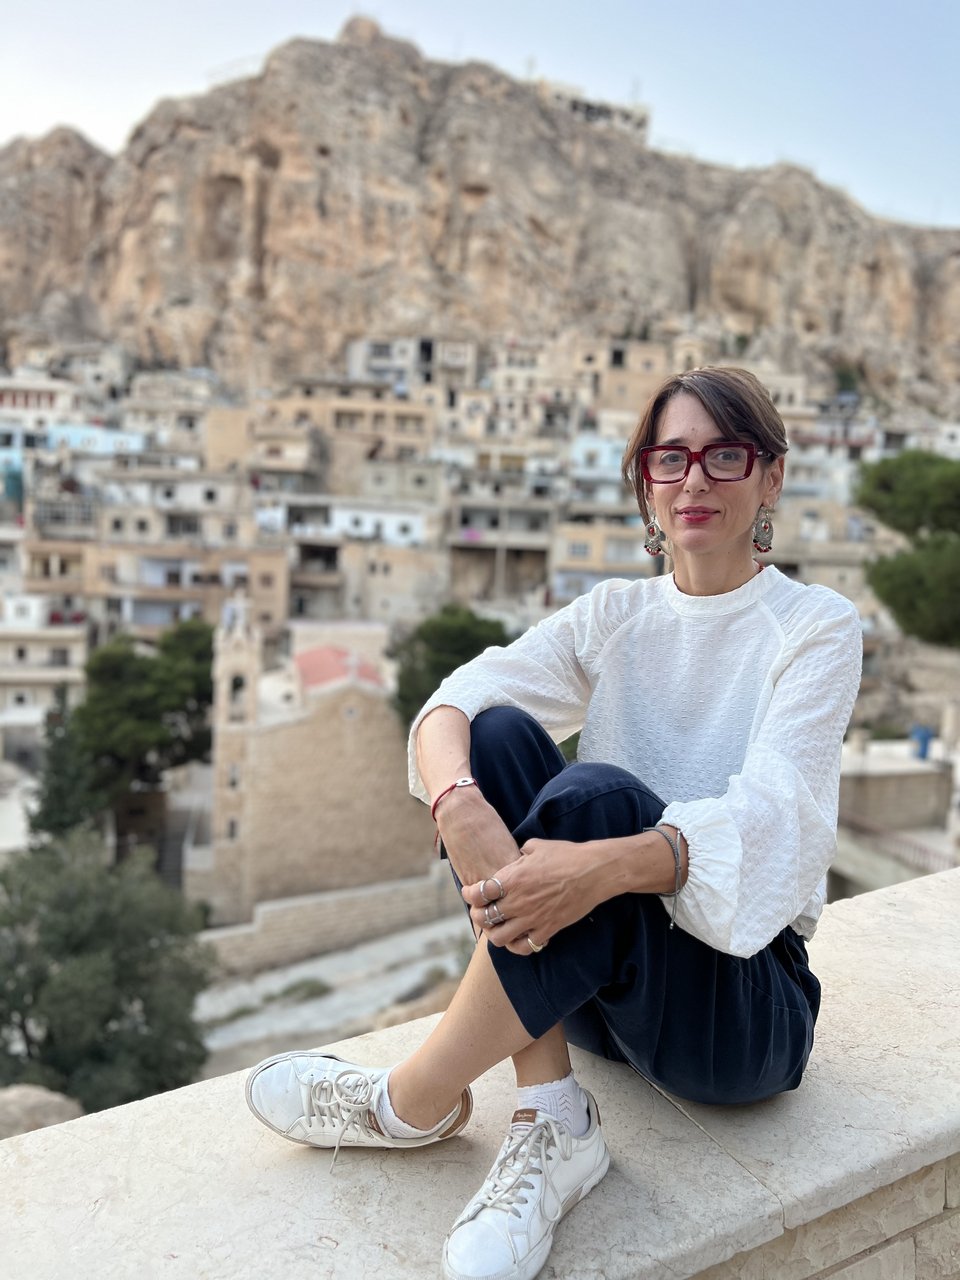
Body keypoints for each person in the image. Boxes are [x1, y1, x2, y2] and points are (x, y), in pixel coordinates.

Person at [245, 366, 863, 1280]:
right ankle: (552, 1114)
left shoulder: (814, 626)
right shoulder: (617, 614)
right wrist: (458, 805)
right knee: (495, 737)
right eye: (670, 458)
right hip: (594, 999)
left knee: (597, 800)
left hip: (737, 1018)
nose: (694, 480)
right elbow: (454, 704)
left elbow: (774, 820)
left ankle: (409, 1100)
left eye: (724, 456)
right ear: (645, 483)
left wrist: (604, 864)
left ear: (770, 476)